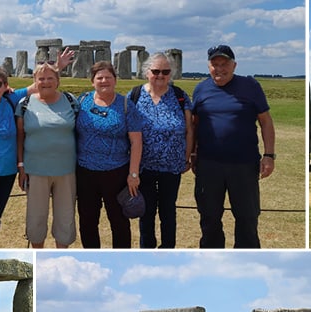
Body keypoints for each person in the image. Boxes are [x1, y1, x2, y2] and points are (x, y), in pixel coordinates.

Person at [0, 50, 74, 248]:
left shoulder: (12, 99)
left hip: (7, 171)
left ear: (5, 86)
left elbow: (41, 83)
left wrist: (58, 67)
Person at [192, 44, 276, 248]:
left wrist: (269, 155)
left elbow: (265, 121)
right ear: (208, 66)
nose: (219, 68)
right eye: (215, 64)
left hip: (244, 165)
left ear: (234, 65)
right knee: (209, 219)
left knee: (247, 218)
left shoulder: (250, 87)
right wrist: (193, 153)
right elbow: (194, 124)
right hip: (209, 165)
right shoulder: (200, 89)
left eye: (224, 64)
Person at [75, 61, 143, 248]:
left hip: (117, 172)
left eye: (108, 77)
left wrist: (133, 174)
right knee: (87, 221)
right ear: (92, 81)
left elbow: (136, 141)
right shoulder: (82, 101)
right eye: (99, 77)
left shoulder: (126, 105)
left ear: (115, 80)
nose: (104, 81)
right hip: (85, 171)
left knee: (119, 221)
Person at [129, 53, 193, 248]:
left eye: (165, 71)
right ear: (146, 72)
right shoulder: (135, 95)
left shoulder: (180, 96)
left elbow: (190, 130)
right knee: (146, 212)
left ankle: (168, 248)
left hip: (172, 165)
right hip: (144, 165)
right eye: (156, 71)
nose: (160, 75)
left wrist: (187, 157)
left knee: (168, 211)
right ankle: (146, 249)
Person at [15, 62, 78, 248]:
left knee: (65, 217)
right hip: (35, 169)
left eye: (50, 78)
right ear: (35, 81)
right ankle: (37, 255)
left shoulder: (71, 100)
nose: (46, 82)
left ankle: (61, 254)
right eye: (41, 78)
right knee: (35, 217)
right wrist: (21, 165)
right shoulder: (24, 104)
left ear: (58, 81)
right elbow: (20, 137)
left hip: (66, 169)